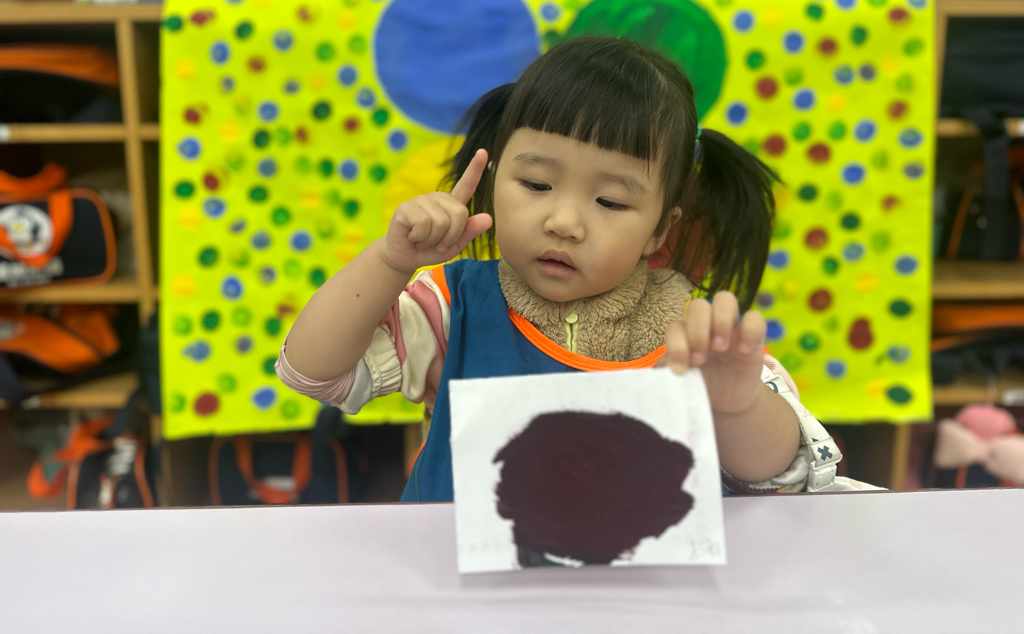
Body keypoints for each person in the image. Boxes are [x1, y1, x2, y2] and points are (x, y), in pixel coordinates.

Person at [277, 36, 877, 501]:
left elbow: (780, 474)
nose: (564, 221)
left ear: (659, 230)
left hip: (636, 599)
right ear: (494, 180)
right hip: (466, 596)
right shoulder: (452, 307)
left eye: (610, 202)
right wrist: (389, 261)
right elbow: (312, 374)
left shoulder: (691, 333)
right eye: (537, 184)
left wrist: (736, 404)